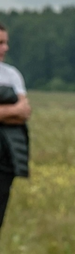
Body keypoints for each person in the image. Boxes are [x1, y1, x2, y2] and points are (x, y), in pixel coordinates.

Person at [0, 23, 32, 231]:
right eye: (0, 43)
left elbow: (24, 111)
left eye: (6, 42)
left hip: (5, 155)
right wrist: (10, 112)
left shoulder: (11, 75)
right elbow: (16, 111)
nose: (5, 48)